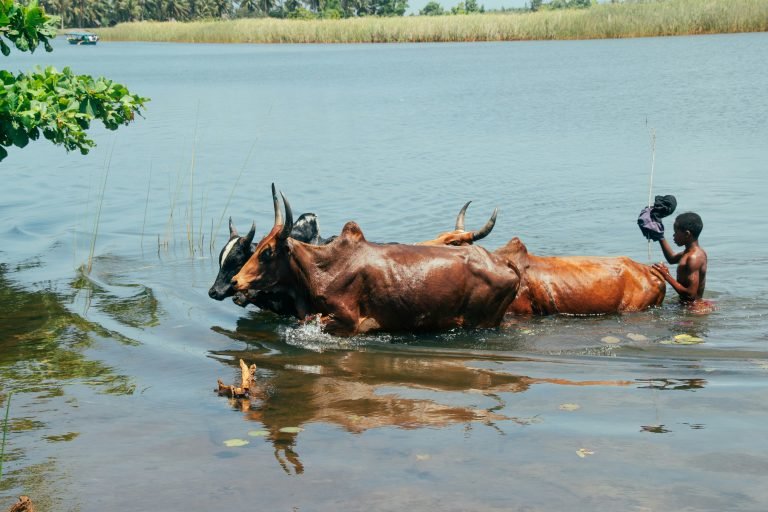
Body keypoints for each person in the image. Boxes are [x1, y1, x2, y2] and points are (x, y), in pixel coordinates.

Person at [652, 212, 708, 304]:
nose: (673, 236)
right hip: (686, 306)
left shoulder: (694, 258)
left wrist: (666, 276)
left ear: (687, 234)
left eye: (676, 232)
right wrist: (660, 236)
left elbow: (691, 295)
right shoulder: (689, 253)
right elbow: (671, 258)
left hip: (693, 311)